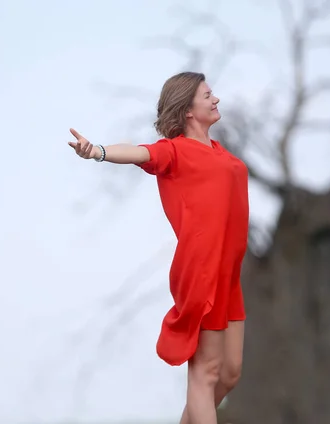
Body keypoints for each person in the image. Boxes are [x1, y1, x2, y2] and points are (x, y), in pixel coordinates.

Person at [68, 71, 249, 424]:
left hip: (229, 273)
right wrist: (98, 152)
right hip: (202, 269)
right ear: (187, 111)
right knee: (205, 374)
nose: (216, 99)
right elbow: (138, 152)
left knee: (229, 375)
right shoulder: (173, 151)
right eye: (208, 94)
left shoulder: (220, 153)